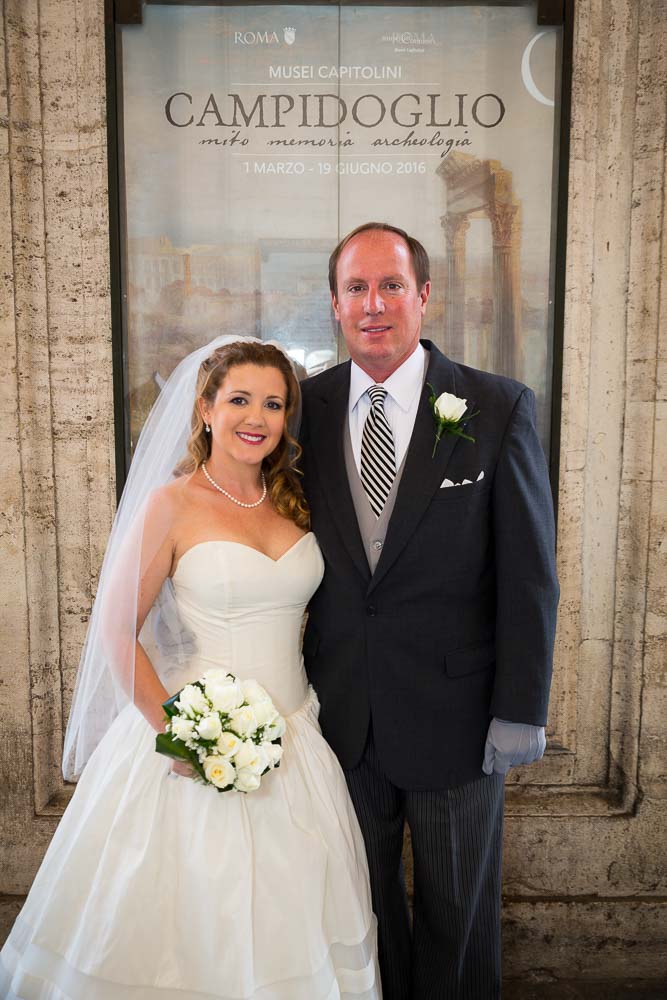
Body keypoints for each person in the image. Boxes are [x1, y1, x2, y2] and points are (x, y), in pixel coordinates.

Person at [0, 337, 381, 1000]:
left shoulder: (297, 502)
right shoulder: (171, 505)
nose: (255, 416)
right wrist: (185, 737)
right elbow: (119, 633)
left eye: (273, 402)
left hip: (297, 743)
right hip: (192, 740)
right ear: (205, 409)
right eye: (238, 399)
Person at [299, 223, 559, 999]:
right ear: (334, 304)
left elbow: (528, 578)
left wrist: (519, 709)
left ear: (423, 296)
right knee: (359, 914)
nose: (372, 304)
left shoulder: (495, 406)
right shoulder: (301, 410)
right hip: (338, 718)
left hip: (459, 721)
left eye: (389, 286)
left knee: (457, 918)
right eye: (355, 288)